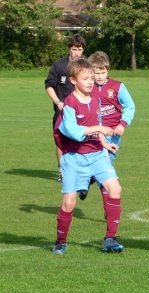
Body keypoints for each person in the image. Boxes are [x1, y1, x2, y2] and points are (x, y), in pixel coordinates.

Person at [52, 58, 124, 255]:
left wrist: (103, 142)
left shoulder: (96, 99)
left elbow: (97, 122)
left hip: (97, 155)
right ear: (74, 80)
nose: (91, 81)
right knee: (69, 203)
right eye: (86, 78)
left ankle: (110, 238)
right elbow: (73, 132)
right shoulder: (69, 104)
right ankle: (60, 241)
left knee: (114, 188)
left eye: (92, 78)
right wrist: (99, 128)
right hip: (74, 158)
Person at [78, 51, 136, 201]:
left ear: (107, 70)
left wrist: (123, 124)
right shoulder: (86, 88)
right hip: (94, 134)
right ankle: (109, 204)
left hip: (113, 135)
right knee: (105, 169)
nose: (99, 76)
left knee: (106, 164)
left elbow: (130, 106)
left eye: (102, 72)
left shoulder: (117, 86)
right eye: (96, 73)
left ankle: (88, 180)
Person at [45, 34, 86, 182]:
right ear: (69, 49)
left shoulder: (87, 66)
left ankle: (81, 171)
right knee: (61, 141)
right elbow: (49, 86)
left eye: (79, 49)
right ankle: (62, 170)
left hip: (82, 111)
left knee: (83, 139)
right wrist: (58, 102)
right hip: (62, 111)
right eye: (74, 49)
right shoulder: (59, 65)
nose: (76, 52)